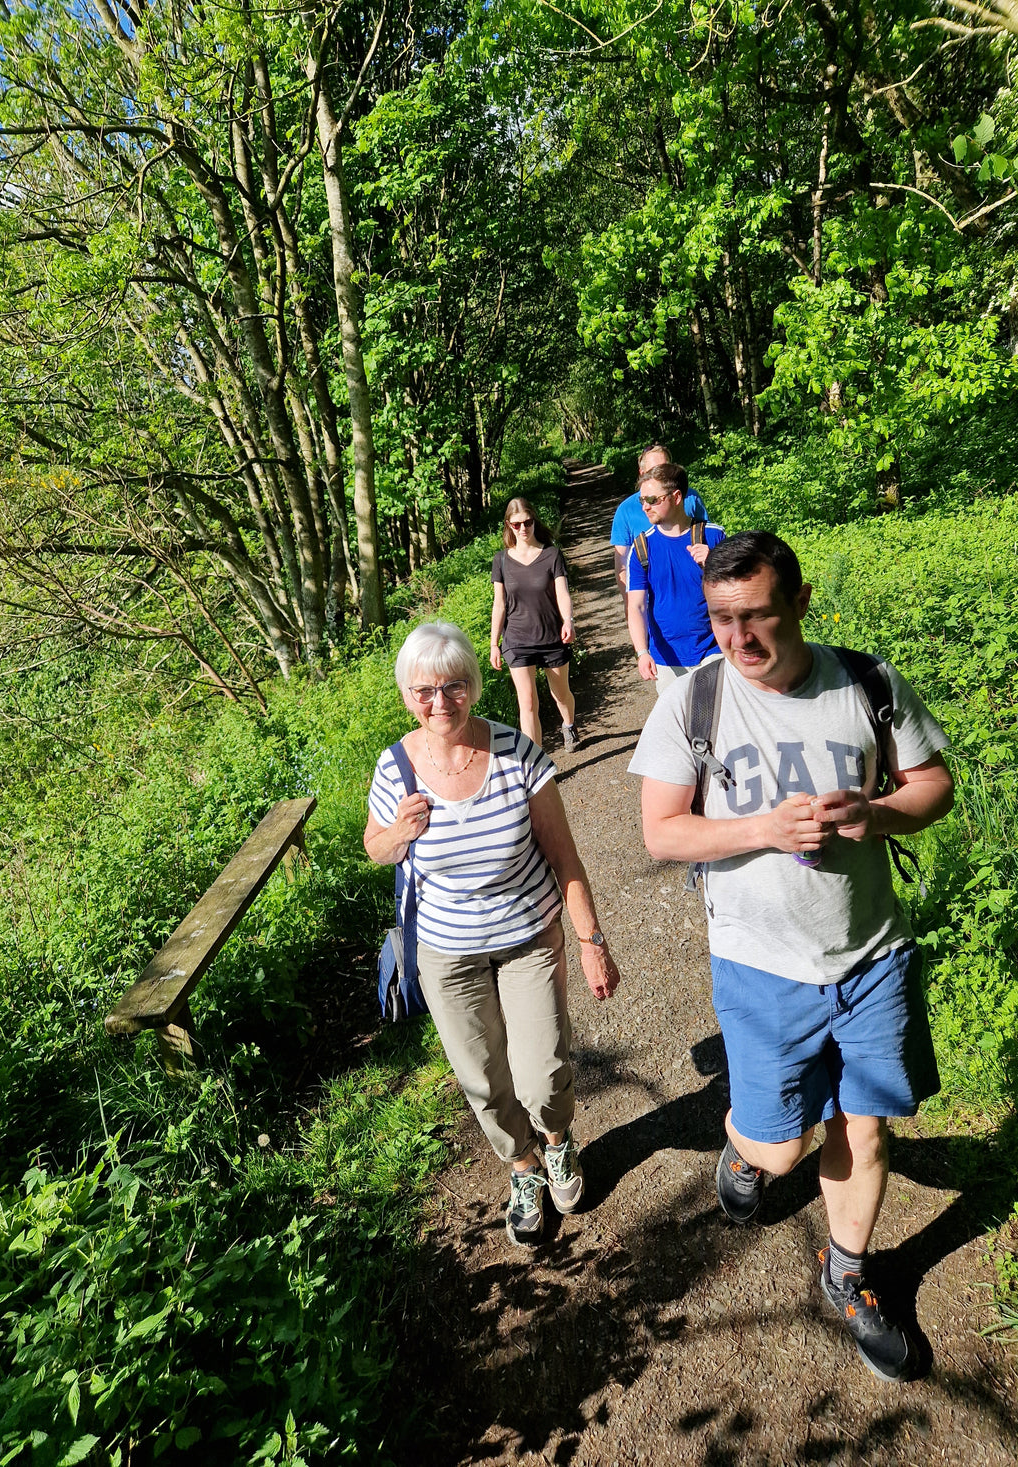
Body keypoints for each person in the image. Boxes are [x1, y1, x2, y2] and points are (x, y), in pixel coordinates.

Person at [629, 531, 954, 1382]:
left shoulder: (866, 682)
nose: (737, 638)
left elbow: (933, 784)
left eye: (756, 616)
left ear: (801, 602)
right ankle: (745, 1152)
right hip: (761, 963)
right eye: (720, 618)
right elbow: (661, 830)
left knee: (865, 1122)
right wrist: (765, 828)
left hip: (872, 953)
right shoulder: (693, 702)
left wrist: (878, 815)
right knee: (783, 1148)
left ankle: (848, 1273)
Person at [365, 622, 621, 1247]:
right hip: (445, 951)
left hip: (529, 937)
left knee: (543, 1073)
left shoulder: (518, 755)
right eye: (424, 691)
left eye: (452, 686)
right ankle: (524, 1167)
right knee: (481, 1077)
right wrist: (398, 833)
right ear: (407, 696)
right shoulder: (395, 768)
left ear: (473, 687)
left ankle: (557, 1140)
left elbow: (564, 858)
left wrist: (591, 942)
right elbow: (375, 848)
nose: (439, 702)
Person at [626, 462, 726, 695]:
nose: (645, 507)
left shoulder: (713, 536)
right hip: (666, 657)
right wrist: (642, 653)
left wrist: (715, 563)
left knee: (717, 720)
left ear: (677, 496)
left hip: (714, 649)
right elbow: (636, 606)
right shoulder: (642, 547)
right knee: (679, 726)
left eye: (652, 500)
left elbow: (739, 591)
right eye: (642, 500)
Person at [490, 497, 581, 751]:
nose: (523, 529)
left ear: (534, 521)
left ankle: (569, 725)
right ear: (508, 525)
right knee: (527, 702)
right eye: (516, 524)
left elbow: (562, 592)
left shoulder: (551, 555)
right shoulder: (501, 561)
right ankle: (536, 764)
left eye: (527, 522)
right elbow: (500, 604)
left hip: (553, 636)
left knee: (561, 694)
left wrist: (568, 621)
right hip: (517, 641)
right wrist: (494, 644)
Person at [609, 443, 710, 616]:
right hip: (650, 604)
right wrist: (632, 605)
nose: (661, 475)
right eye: (654, 470)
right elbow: (622, 565)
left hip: (695, 601)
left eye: (666, 468)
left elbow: (707, 539)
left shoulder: (691, 498)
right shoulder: (626, 511)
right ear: (642, 474)